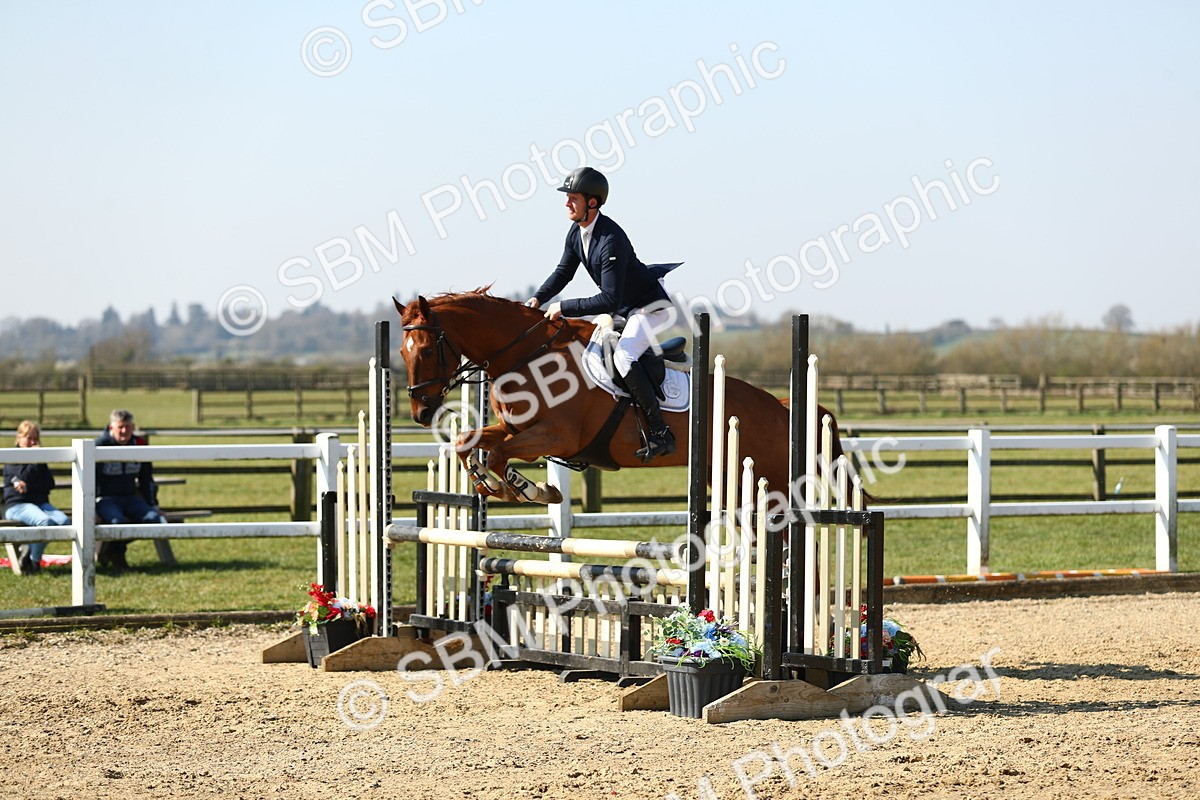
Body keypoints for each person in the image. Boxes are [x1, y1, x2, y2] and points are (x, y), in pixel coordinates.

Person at [526, 166, 678, 462]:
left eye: (573, 198)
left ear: (592, 203)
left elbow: (608, 299)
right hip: (625, 309)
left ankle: (661, 433)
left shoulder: (611, 239)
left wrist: (562, 307)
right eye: (567, 197)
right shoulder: (577, 232)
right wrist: (538, 298)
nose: (566, 203)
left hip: (650, 308)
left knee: (623, 357)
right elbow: (563, 273)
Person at [95, 409, 165, 571]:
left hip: (131, 498)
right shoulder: (99, 446)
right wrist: (91, 509)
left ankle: (110, 549)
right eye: (120, 427)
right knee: (117, 522)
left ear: (133, 427)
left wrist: (153, 506)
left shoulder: (140, 444)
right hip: (105, 499)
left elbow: (146, 479)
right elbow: (91, 480)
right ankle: (118, 555)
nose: (124, 431)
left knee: (154, 520)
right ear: (111, 427)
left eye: (128, 426)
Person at [3, 421, 70, 576]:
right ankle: (35, 562)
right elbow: (22, 481)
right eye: (29, 438)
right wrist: (35, 461)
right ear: (19, 438)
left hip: (40, 503)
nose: (33, 443)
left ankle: (29, 550)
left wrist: (30, 486)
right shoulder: (11, 457)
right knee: (45, 522)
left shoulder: (41, 460)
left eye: (35, 439)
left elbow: (49, 483)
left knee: (64, 522)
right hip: (17, 506)